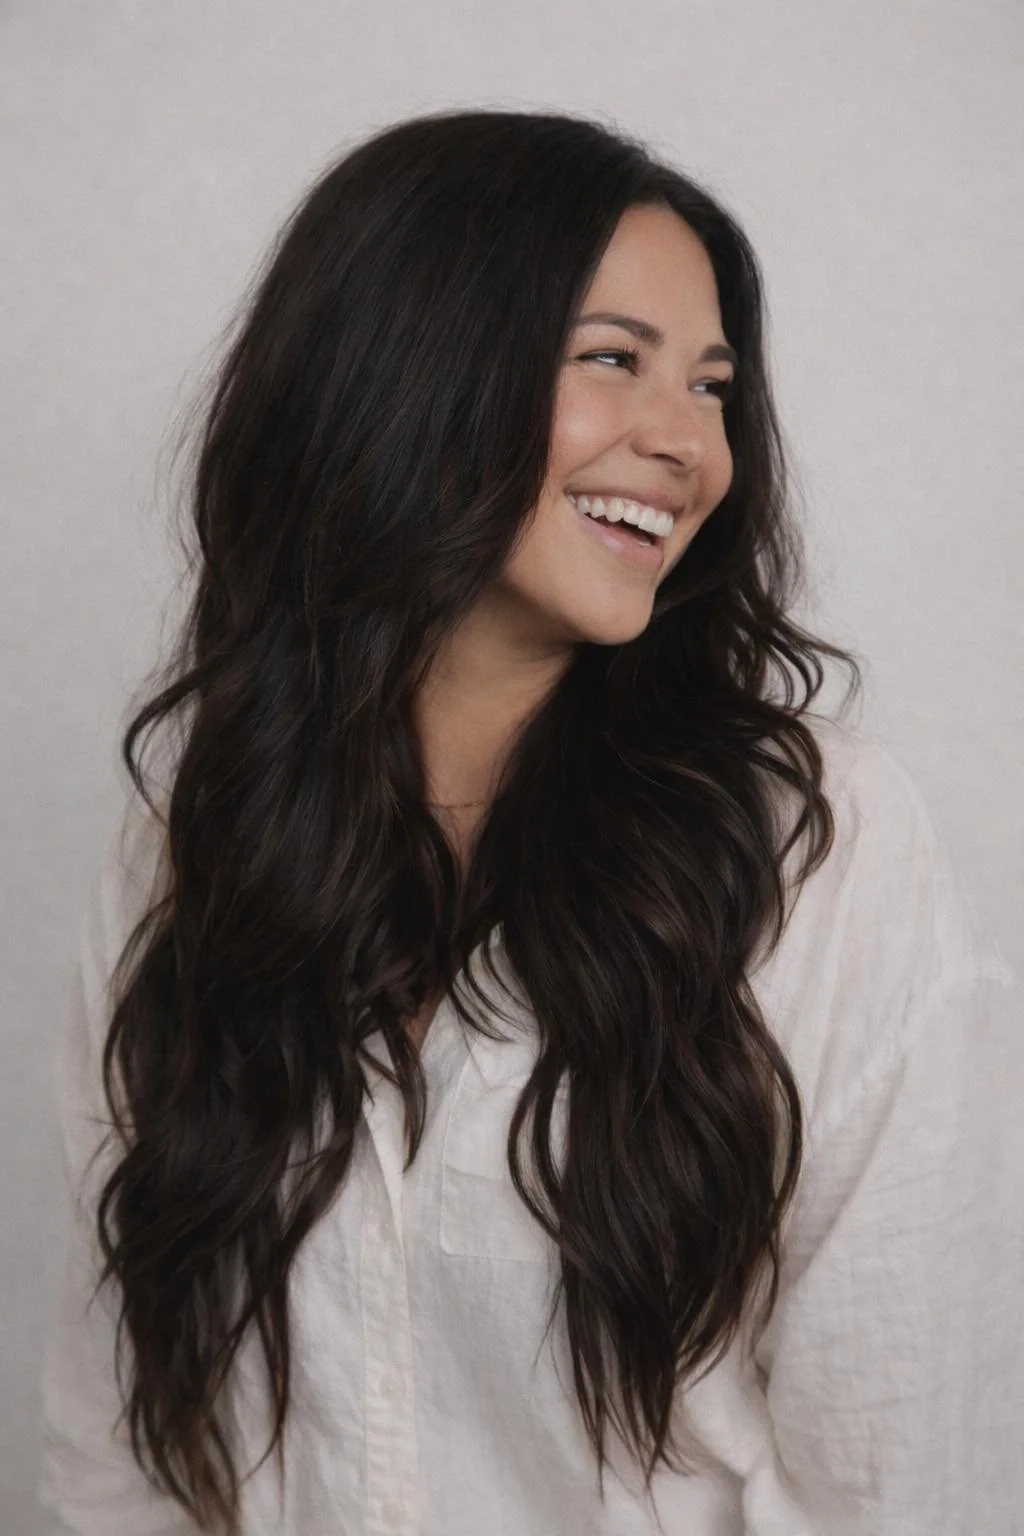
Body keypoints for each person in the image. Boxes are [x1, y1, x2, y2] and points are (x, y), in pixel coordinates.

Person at [39, 108, 1021, 1536]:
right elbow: (118, 1456)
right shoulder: (184, 854)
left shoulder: (809, 852)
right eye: (614, 358)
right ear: (405, 370)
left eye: (712, 385)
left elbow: (917, 1473)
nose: (690, 442)